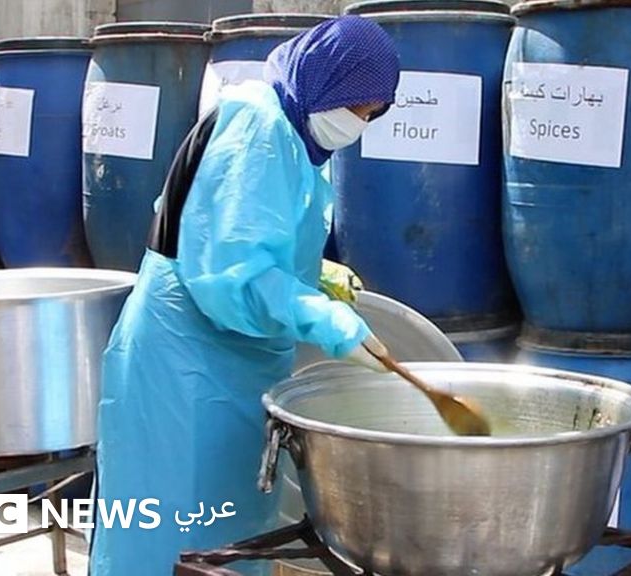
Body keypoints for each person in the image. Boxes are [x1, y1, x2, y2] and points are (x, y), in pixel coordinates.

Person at [89, 16, 401, 576]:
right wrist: (324, 320)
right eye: (356, 107)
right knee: (170, 525)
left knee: (230, 527)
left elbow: (240, 228)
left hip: (235, 361)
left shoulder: (294, 133)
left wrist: (315, 274)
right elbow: (230, 273)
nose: (358, 123)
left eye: (371, 115)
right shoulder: (260, 126)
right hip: (184, 358)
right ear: (327, 78)